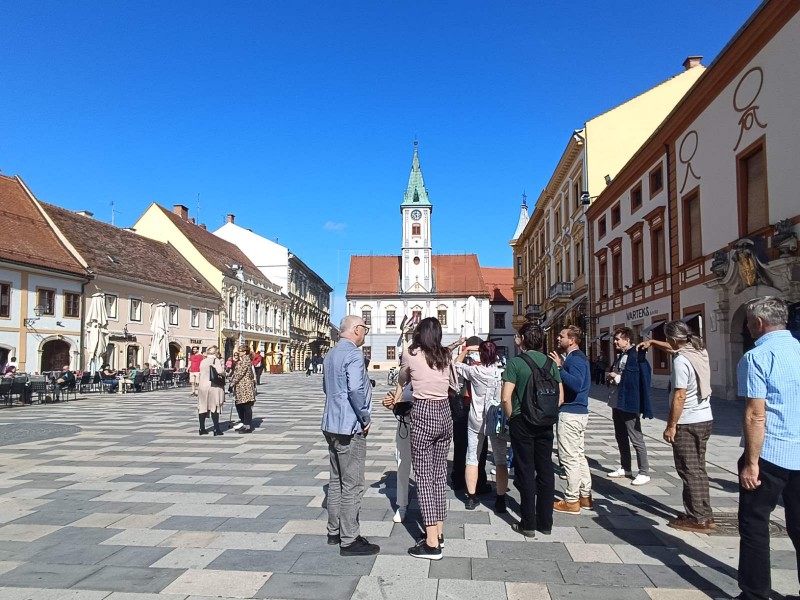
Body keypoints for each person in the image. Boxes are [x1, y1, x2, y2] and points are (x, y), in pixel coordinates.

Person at [735, 296, 800, 600]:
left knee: (755, 525)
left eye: (748, 321)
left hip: (771, 453)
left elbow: (755, 414)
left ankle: (755, 593)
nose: (747, 327)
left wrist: (751, 462)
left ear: (758, 323)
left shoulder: (757, 357)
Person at [639, 320, 714, 532]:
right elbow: (675, 347)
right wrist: (654, 342)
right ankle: (704, 513)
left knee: (688, 469)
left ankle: (697, 518)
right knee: (699, 468)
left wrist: (671, 425)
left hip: (688, 420)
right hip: (705, 418)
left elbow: (679, 396)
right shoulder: (698, 350)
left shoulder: (681, 362)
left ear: (672, 338)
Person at [395, 317, 456, 560]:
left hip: (423, 411)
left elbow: (402, 379)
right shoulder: (445, 354)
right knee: (439, 475)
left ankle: (431, 543)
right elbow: (453, 383)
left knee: (423, 477)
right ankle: (438, 531)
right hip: (445, 412)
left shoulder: (412, 353)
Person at [321, 315, 379, 557]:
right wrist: (365, 417)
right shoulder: (354, 354)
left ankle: (334, 531)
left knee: (336, 480)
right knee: (353, 483)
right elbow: (355, 388)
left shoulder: (331, 353)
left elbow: (328, 387)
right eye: (364, 329)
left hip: (331, 422)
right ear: (356, 329)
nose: (365, 333)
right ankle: (350, 539)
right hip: (349, 425)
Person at [501, 322, 563, 537]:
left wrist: (512, 418)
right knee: (545, 469)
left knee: (525, 470)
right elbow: (560, 397)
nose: (515, 338)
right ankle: (546, 523)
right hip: (546, 422)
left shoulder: (515, 363)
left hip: (523, 421)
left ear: (523, 339)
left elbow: (505, 397)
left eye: (518, 335)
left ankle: (528, 523)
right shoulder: (550, 363)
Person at [454, 340, 508, 514]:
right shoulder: (501, 371)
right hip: (496, 418)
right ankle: (500, 499)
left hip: (476, 418)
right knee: (500, 459)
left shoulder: (475, 370)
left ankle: (471, 497)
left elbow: (455, 365)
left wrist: (468, 349)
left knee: (472, 457)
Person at [549, 326, 593, 514]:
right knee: (579, 456)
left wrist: (559, 368)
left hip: (571, 413)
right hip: (579, 412)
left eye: (561, 336)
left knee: (569, 458)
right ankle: (585, 496)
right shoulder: (579, 357)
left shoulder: (574, 359)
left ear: (572, 340)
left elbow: (576, 384)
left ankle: (572, 500)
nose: (558, 338)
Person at [606, 327, 652, 486]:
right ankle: (625, 467)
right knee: (620, 436)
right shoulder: (623, 355)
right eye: (615, 339)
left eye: (618, 339)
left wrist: (617, 377)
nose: (615, 341)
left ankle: (644, 472)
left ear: (627, 339)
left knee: (636, 437)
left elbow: (638, 377)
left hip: (629, 402)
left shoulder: (636, 355)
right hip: (617, 401)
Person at [450, 336, 490, 495]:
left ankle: (465, 479)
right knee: (470, 446)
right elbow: (453, 366)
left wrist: (466, 351)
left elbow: (454, 366)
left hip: (468, 407)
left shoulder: (478, 365)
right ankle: (469, 480)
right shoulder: (473, 365)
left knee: (467, 445)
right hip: (467, 408)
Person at [383, 382, 414, 523]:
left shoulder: (432, 368)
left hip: (427, 425)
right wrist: (391, 403)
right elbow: (396, 402)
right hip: (405, 426)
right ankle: (402, 505)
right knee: (402, 463)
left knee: (428, 469)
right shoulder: (404, 378)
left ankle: (430, 508)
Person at [197, 346, 225, 436]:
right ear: (215, 352)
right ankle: (216, 429)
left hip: (202, 386)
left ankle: (202, 428)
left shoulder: (203, 361)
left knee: (202, 406)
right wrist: (225, 373)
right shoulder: (215, 360)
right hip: (213, 386)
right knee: (214, 406)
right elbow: (220, 371)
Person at [231, 345, 257, 434]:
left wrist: (232, 384)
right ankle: (244, 423)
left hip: (244, 386)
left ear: (245, 352)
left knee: (246, 406)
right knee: (240, 405)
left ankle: (247, 426)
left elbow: (240, 374)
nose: (239, 352)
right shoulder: (243, 360)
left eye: (240, 351)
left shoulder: (245, 360)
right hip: (241, 386)